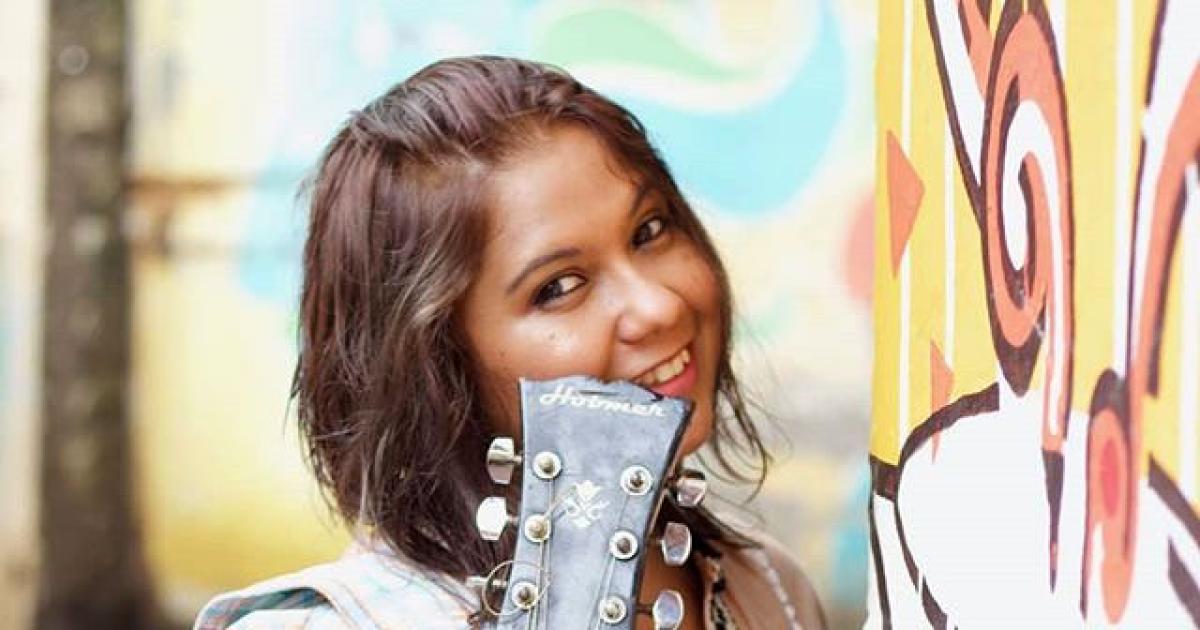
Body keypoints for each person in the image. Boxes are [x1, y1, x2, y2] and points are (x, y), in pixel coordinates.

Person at [194, 55, 826, 629]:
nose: (659, 307)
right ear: (435, 368)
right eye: (559, 287)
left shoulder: (770, 591)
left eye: (650, 230)